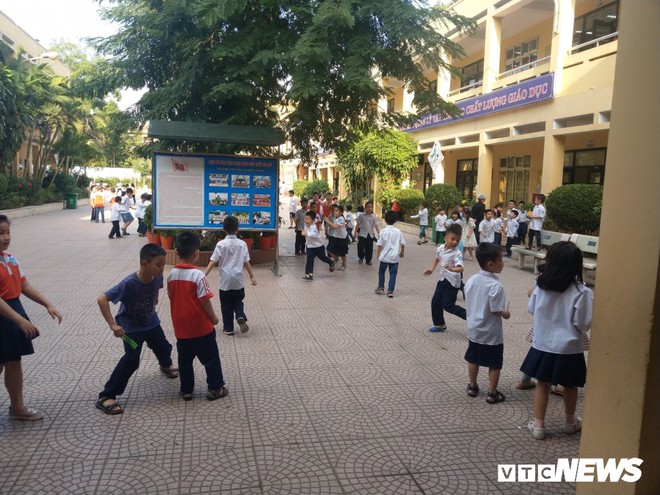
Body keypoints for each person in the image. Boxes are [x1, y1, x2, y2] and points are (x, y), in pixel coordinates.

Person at [520, 241, 593, 440]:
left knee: (542, 383)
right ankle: (570, 423)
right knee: (570, 385)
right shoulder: (582, 292)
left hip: (542, 344)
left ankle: (539, 426)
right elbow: (584, 323)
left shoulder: (540, 285)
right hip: (569, 348)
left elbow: (532, 309)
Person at [96, 243, 178, 415]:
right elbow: (102, 299)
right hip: (131, 329)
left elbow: (157, 290)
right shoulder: (129, 283)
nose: (161, 269)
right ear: (143, 264)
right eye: (158, 265)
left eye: (163, 265)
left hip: (151, 323)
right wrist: (113, 324)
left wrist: (154, 299)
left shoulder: (157, 277)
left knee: (163, 346)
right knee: (132, 359)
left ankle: (165, 365)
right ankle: (106, 396)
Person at [0, 215, 62, 421]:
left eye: (8, 232)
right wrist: (19, 320)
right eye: (1, 233)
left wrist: (48, 304)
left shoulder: (10, 259)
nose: (6, 237)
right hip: (5, 314)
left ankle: (17, 408)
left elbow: (24, 285)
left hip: (12, 311)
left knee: (13, 361)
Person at [167, 232, 227, 401]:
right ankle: (215, 388)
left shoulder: (171, 275)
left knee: (184, 362)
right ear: (196, 254)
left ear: (176, 252)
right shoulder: (198, 275)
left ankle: (186, 390)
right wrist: (214, 318)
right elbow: (204, 301)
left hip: (181, 329)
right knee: (210, 359)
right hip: (201, 329)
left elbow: (172, 297)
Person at [464, 243, 510, 404]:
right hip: (491, 332)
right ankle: (492, 392)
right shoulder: (495, 285)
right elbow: (496, 310)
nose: (503, 263)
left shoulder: (471, 280)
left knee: (473, 359)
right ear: (491, 264)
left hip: (474, 329)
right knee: (495, 364)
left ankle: (472, 385)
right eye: (501, 260)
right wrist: (506, 314)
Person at [204, 216, 257, 336]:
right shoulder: (242, 244)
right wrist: (252, 276)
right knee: (238, 300)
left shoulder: (221, 244)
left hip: (225, 281)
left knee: (226, 304)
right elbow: (246, 261)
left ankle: (228, 328)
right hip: (238, 280)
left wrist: (204, 275)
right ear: (238, 229)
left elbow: (213, 261)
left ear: (223, 229)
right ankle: (240, 315)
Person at [423, 223, 466, 333]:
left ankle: (471, 317)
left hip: (453, 282)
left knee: (448, 305)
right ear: (446, 237)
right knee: (436, 302)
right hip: (443, 279)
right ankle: (440, 324)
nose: (455, 242)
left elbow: (461, 269)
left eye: (458, 240)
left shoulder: (457, 253)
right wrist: (431, 269)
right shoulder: (440, 248)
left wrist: (452, 269)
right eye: (452, 239)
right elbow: (437, 259)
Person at [375, 210, 405, 298]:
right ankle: (390, 291)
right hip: (395, 257)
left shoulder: (383, 231)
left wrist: (378, 254)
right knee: (393, 274)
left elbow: (379, 244)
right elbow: (403, 243)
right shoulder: (398, 231)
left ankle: (380, 287)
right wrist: (402, 252)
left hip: (384, 256)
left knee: (381, 271)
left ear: (385, 220)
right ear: (395, 220)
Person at [301, 210, 335, 280]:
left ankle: (331, 262)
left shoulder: (313, 227)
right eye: (305, 219)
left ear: (312, 220)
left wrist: (306, 234)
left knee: (322, 257)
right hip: (310, 246)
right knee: (309, 259)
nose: (306, 221)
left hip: (318, 246)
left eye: (308, 219)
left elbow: (314, 235)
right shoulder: (305, 225)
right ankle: (309, 274)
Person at [325, 204, 349, 270]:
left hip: (342, 238)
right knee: (329, 249)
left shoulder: (341, 218)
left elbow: (335, 226)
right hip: (336, 237)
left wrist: (327, 221)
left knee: (342, 253)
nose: (335, 212)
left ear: (341, 212)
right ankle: (335, 258)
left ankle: (344, 264)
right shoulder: (336, 218)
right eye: (334, 211)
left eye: (337, 211)